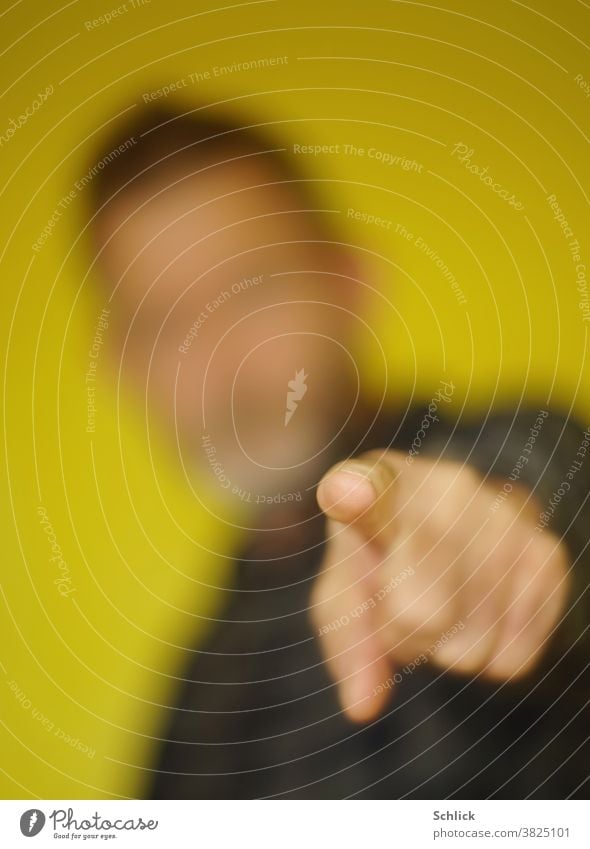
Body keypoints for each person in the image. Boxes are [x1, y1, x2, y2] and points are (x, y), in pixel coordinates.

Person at [88, 106, 590, 799]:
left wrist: (480, 532)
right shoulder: (197, 693)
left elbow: (522, 492)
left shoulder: (536, 448)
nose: (222, 365)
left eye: (252, 289)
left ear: (348, 282)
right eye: (165, 324)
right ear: (123, 365)